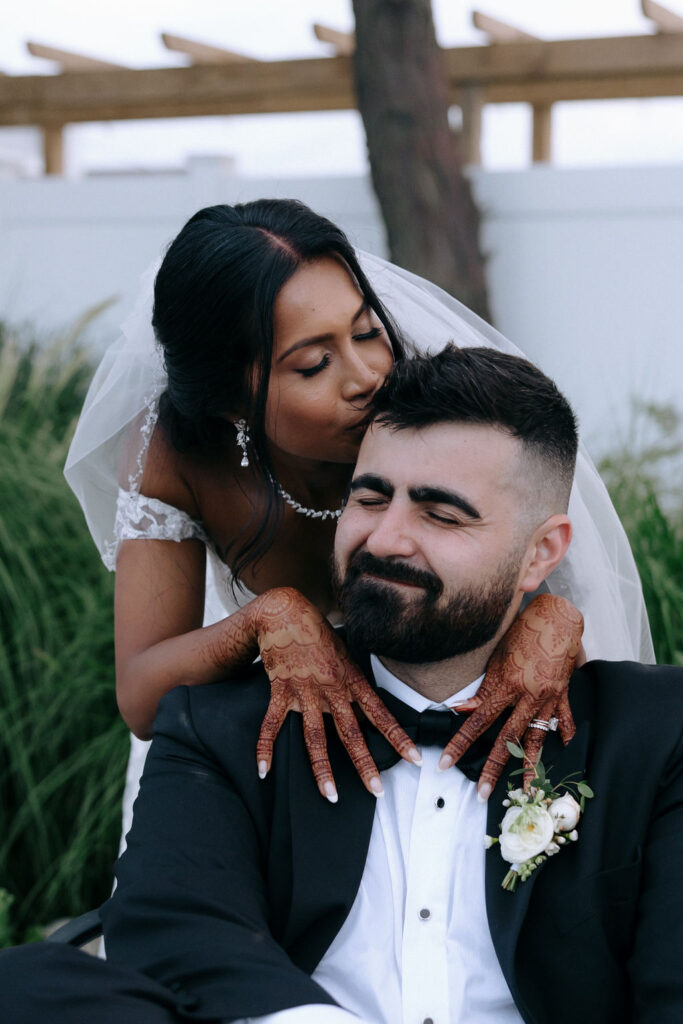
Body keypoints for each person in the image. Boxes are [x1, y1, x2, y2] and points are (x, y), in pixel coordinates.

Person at [2, 346, 679, 1024]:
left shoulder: (652, 734)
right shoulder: (224, 725)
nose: (385, 539)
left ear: (540, 552)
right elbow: (178, 930)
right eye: (370, 497)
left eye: (440, 515)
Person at [64, 200, 652, 833]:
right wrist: (267, 617)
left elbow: (532, 529)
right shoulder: (174, 452)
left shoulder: (426, 396)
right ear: (230, 399)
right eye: (315, 364)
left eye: (368, 330)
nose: (369, 376)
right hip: (263, 718)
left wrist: (556, 614)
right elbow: (144, 697)